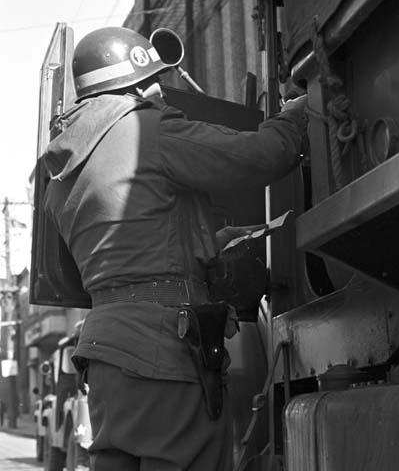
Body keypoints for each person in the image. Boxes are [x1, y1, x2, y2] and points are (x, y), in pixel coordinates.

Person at [43, 26, 308, 471]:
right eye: (155, 80)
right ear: (135, 84)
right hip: (166, 349)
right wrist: (296, 115)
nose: (160, 91)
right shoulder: (149, 129)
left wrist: (202, 244)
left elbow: (83, 274)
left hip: (105, 356)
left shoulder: (61, 166)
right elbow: (259, 155)